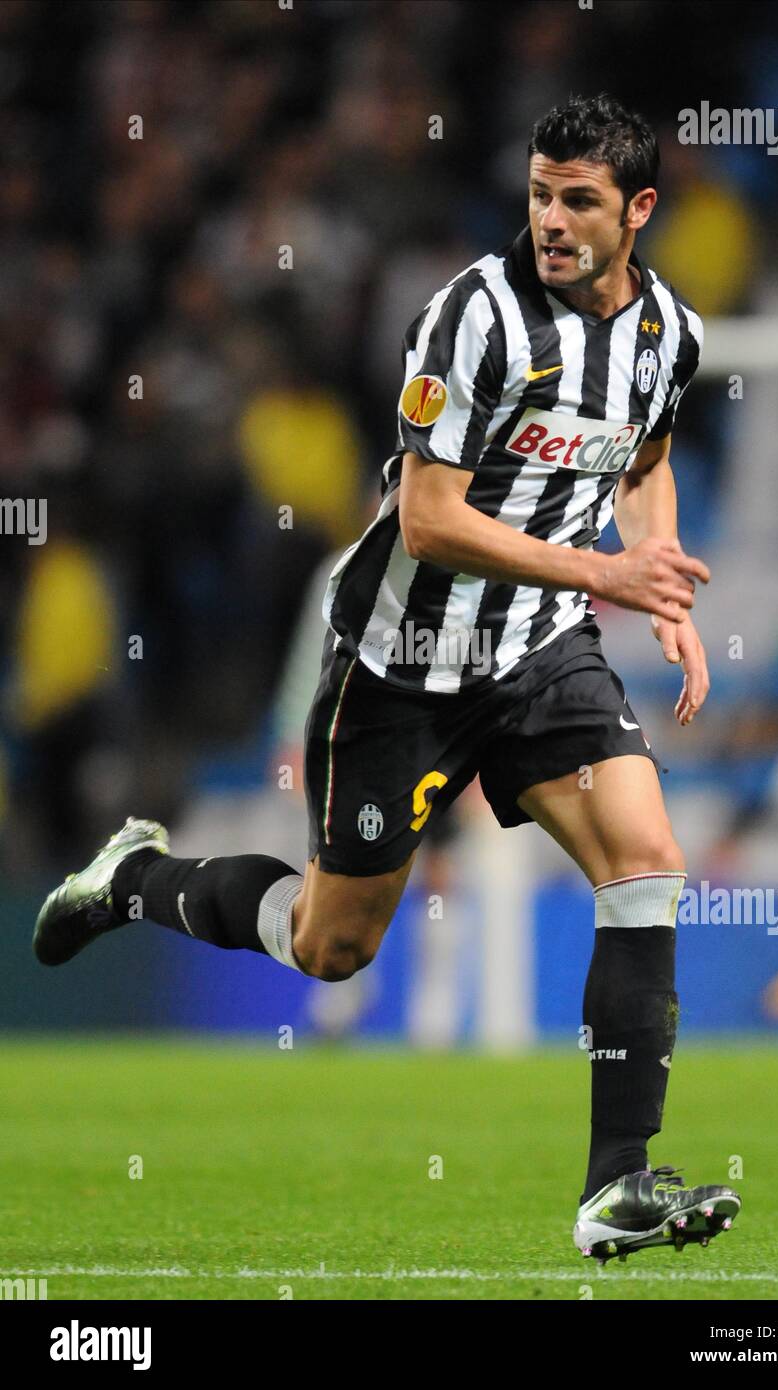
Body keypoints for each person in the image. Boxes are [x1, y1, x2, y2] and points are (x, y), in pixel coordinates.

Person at [34, 94, 740, 1263]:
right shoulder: (471, 318)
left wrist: (652, 577)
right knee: (331, 944)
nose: (551, 221)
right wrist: (600, 570)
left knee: (647, 859)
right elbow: (425, 522)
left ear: (639, 210)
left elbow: (646, 461)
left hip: (541, 647)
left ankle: (615, 1182)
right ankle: (135, 877)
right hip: (404, 661)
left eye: (578, 200)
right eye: (538, 193)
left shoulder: (668, 332)